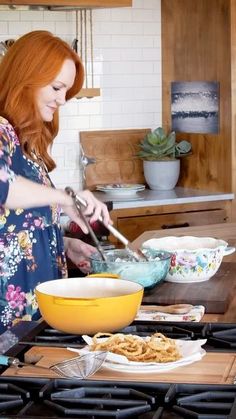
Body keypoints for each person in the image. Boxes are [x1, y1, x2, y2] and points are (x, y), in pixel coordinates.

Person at [0, 30, 112, 333]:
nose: (63, 100)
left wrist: (63, 245)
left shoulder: (25, 142)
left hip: (33, 308)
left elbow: (15, 227)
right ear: (27, 78)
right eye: (57, 87)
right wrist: (65, 197)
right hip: (7, 312)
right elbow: (3, 188)